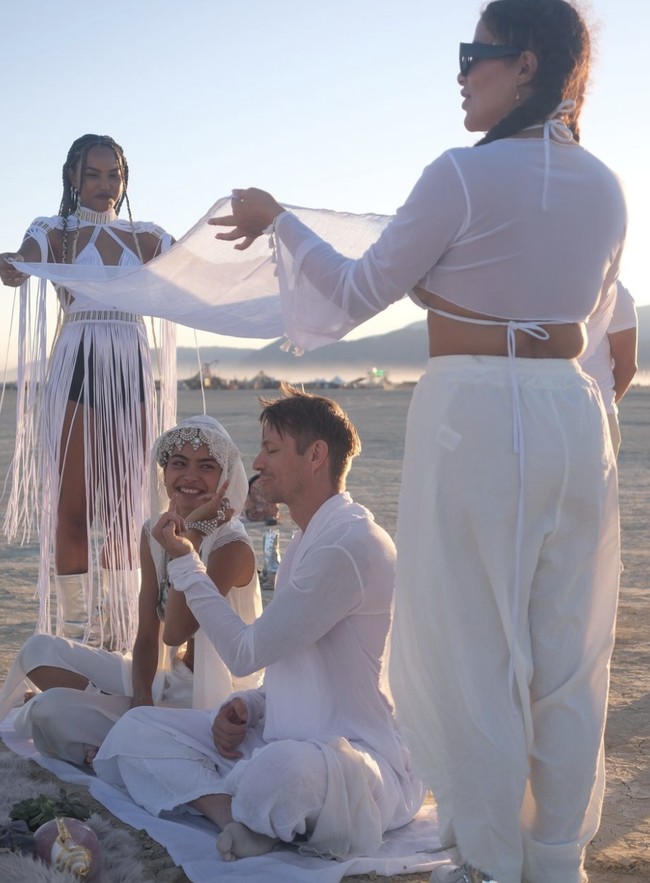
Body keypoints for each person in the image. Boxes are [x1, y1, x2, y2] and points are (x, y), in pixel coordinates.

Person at [208, 3, 626, 881]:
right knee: (565, 646)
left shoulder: (459, 177)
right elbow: (593, 328)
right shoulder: (607, 187)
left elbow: (358, 289)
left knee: (470, 639)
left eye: (473, 55)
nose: (461, 73)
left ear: (524, 64)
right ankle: (554, 857)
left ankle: (488, 854)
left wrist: (281, 220)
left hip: (476, 411)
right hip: (571, 417)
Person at [93, 387, 424, 862]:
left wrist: (186, 563)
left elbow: (246, 653)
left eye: (271, 449)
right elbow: (293, 667)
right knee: (136, 729)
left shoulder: (348, 545)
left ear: (315, 456)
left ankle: (250, 803)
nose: (258, 462)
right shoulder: (313, 539)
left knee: (281, 773)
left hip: (353, 759)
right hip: (280, 737)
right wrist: (248, 705)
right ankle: (231, 813)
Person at [0, 134, 177, 654]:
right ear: (72, 178)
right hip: (77, 362)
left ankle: (121, 632)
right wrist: (11, 265)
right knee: (73, 510)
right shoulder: (53, 231)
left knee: (127, 510)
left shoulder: (146, 237)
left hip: (131, 368)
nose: (105, 186)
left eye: (114, 175)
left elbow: (197, 269)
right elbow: (23, 262)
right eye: (93, 175)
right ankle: (75, 636)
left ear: (125, 180)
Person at [0, 416, 263, 765]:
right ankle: (129, 727)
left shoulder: (231, 546)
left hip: (211, 700)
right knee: (37, 650)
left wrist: (192, 539)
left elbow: (174, 631)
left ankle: (124, 737)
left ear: (225, 477)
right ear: (164, 472)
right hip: (164, 680)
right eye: (178, 463)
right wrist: (141, 703)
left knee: (49, 711)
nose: (189, 477)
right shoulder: (154, 531)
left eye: (207, 466)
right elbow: (146, 636)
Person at [579, 281, 637, 456]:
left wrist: (602, 404)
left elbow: (626, 367)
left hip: (596, 418)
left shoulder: (615, 291)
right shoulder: (540, 284)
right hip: (536, 413)